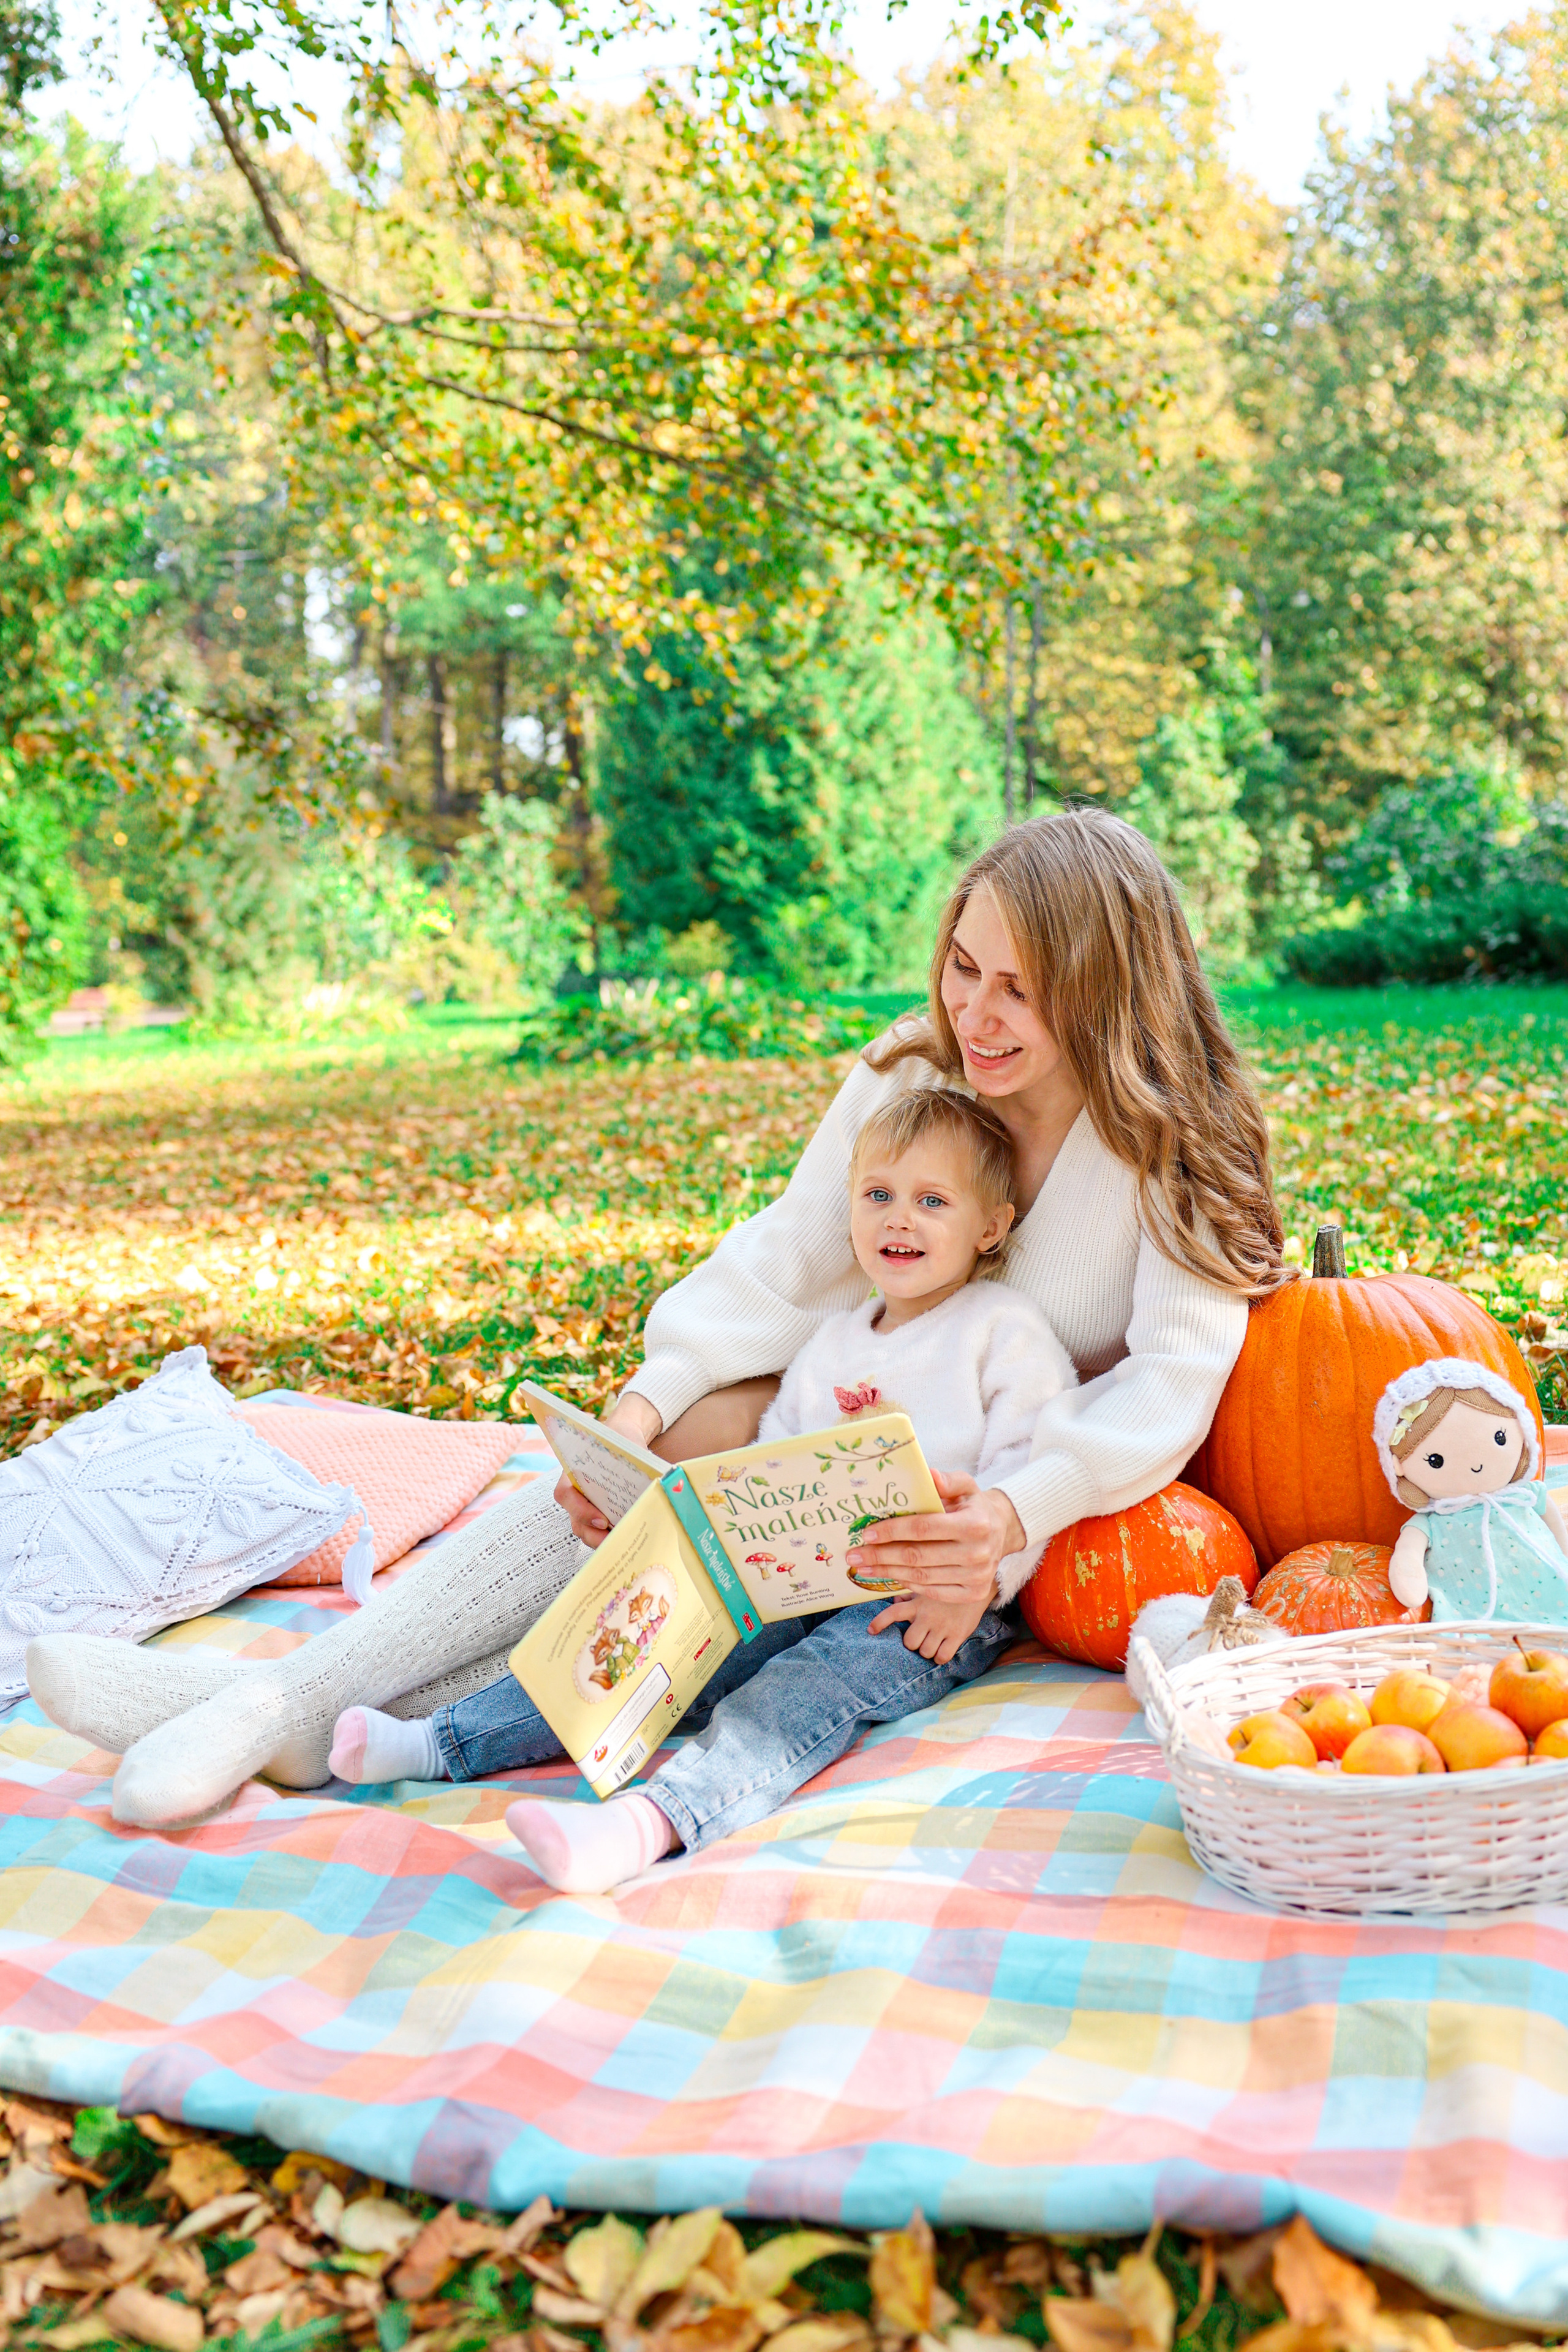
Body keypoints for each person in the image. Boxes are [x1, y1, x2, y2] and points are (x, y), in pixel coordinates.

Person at [27, 807, 1286, 1831]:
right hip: (838, 1412)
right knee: (670, 1467)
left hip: (996, 1504)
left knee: (719, 1575)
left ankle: (279, 1715)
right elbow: (787, 1262)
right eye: (963, 968)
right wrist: (639, 1411)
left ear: (1108, 985)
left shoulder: (1172, 1139)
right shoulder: (914, 1074)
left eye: (1021, 987)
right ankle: (286, 1709)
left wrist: (1014, 1508)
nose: (977, 1014)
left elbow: (1173, 1378)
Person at [324, 1085, 1078, 1893]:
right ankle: (446, 1741)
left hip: (926, 1607)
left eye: (934, 1201)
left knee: (807, 1683)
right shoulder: (833, 1343)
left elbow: (1027, 1479)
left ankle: (652, 1822)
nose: (901, 1219)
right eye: (879, 1196)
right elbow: (775, 1464)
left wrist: (980, 1587)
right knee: (661, 1641)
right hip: (801, 1578)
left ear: (991, 1226)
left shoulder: (1004, 1331)